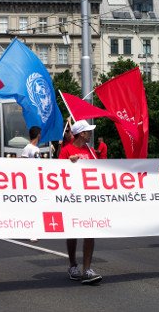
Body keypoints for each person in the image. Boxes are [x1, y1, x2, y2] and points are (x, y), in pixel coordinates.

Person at [59, 120, 102, 284]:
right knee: (73, 232)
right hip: (72, 198)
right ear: (81, 134)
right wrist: (68, 163)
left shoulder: (91, 151)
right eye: (88, 131)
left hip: (88, 197)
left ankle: (87, 269)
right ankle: (72, 265)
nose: (90, 134)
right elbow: (55, 173)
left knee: (89, 231)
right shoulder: (66, 150)